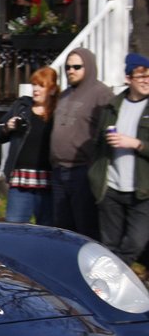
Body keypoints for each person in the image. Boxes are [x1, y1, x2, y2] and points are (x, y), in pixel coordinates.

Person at [88, 53, 149, 265]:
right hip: (111, 188)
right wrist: (96, 178)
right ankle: (108, 291)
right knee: (109, 245)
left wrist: (137, 144)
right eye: (141, 76)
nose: (146, 80)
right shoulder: (113, 106)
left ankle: (118, 279)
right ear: (128, 78)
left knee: (135, 243)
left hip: (142, 191)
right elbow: (97, 144)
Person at [50, 48, 113, 239]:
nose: (71, 71)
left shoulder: (102, 94)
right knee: (63, 228)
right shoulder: (65, 94)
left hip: (83, 172)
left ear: (89, 67)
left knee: (85, 228)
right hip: (59, 171)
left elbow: (108, 132)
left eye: (77, 66)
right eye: (68, 67)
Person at [0, 66, 59, 225]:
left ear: (52, 90)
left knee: (47, 233)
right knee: (14, 230)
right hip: (20, 182)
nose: (36, 89)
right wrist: (6, 127)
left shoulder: (59, 112)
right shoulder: (22, 107)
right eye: (34, 85)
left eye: (41, 85)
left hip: (48, 182)